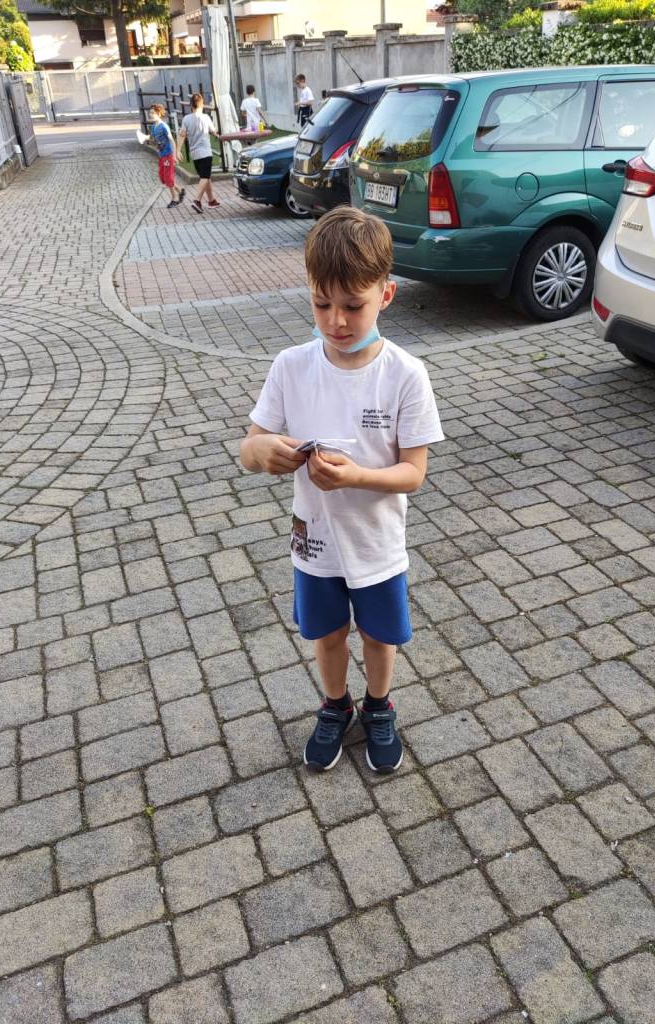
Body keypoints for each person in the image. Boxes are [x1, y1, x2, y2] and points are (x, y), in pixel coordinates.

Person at [240, 208, 444, 774]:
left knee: (378, 636)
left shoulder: (405, 375)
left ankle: (380, 705)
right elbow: (249, 446)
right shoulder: (291, 367)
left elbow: (413, 473)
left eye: (353, 306)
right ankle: (336, 704)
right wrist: (263, 452)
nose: (336, 321)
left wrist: (356, 476)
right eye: (321, 304)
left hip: (377, 544)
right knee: (328, 634)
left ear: (386, 295)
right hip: (315, 545)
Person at [176, 92, 220, 215]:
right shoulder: (206, 118)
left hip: (195, 154)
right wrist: (218, 135)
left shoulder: (186, 119)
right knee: (205, 177)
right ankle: (197, 201)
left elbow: (182, 135)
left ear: (191, 105)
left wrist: (178, 150)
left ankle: (211, 201)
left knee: (205, 177)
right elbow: (214, 132)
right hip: (205, 152)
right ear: (202, 104)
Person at [149, 104, 183, 209]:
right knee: (163, 178)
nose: (150, 114)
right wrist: (146, 139)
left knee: (168, 177)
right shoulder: (154, 127)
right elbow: (154, 140)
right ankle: (180, 190)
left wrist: (174, 155)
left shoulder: (164, 126)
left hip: (168, 155)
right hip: (161, 156)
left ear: (159, 114)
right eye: (150, 113)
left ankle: (175, 198)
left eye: (152, 113)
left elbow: (172, 140)